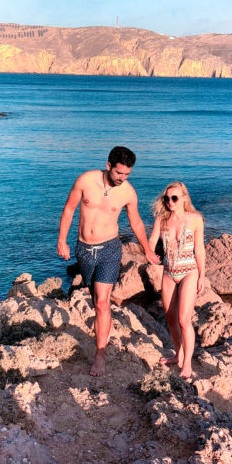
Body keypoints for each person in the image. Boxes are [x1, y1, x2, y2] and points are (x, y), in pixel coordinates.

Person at [57, 146, 160, 376]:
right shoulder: (85, 181)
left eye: (127, 175)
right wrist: (61, 241)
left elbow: (137, 223)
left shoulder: (128, 193)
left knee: (103, 302)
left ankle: (100, 354)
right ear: (108, 166)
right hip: (84, 250)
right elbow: (69, 209)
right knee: (95, 299)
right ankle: (103, 330)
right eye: (119, 173)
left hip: (110, 249)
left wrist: (147, 250)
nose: (122, 178)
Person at [148, 182, 205, 380]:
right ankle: (177, 354)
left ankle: (187, 362)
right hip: (169, 272)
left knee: (183, 319)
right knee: (170, 317)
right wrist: (149, 254)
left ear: (184, 199)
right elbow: (152, 241)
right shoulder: (161, 220)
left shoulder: (195, 219)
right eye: (167, 198)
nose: (170, 202)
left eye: (174, 198)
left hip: (190, 271)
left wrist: (202, 276)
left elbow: (199, 249)